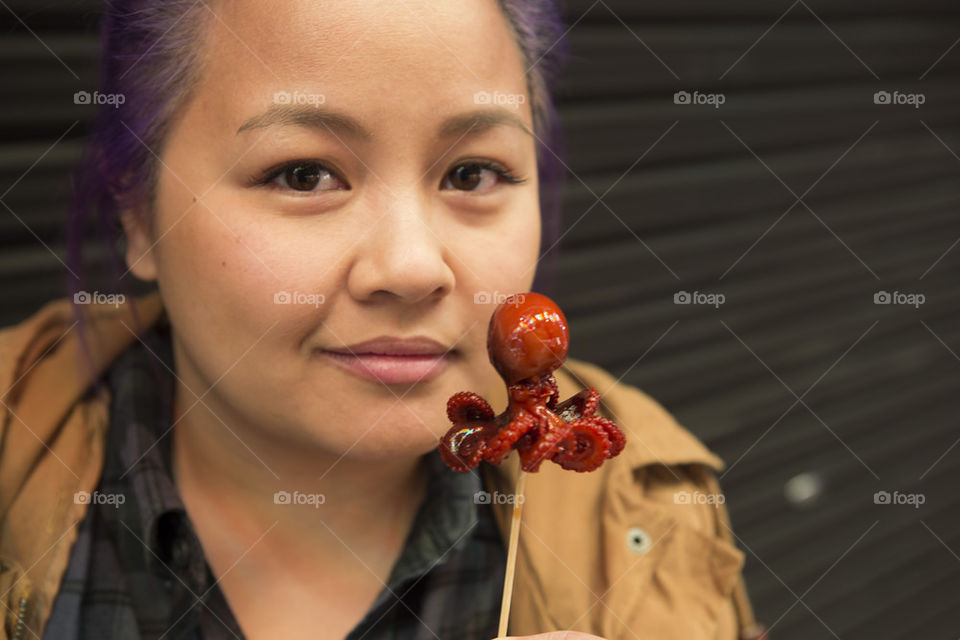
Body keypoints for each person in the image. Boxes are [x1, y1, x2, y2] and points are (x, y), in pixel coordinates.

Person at [0, 1, 766, 638]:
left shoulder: (652, 512)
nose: (410, 268)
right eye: (303, 175)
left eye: (472, 173)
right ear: (136, 212)